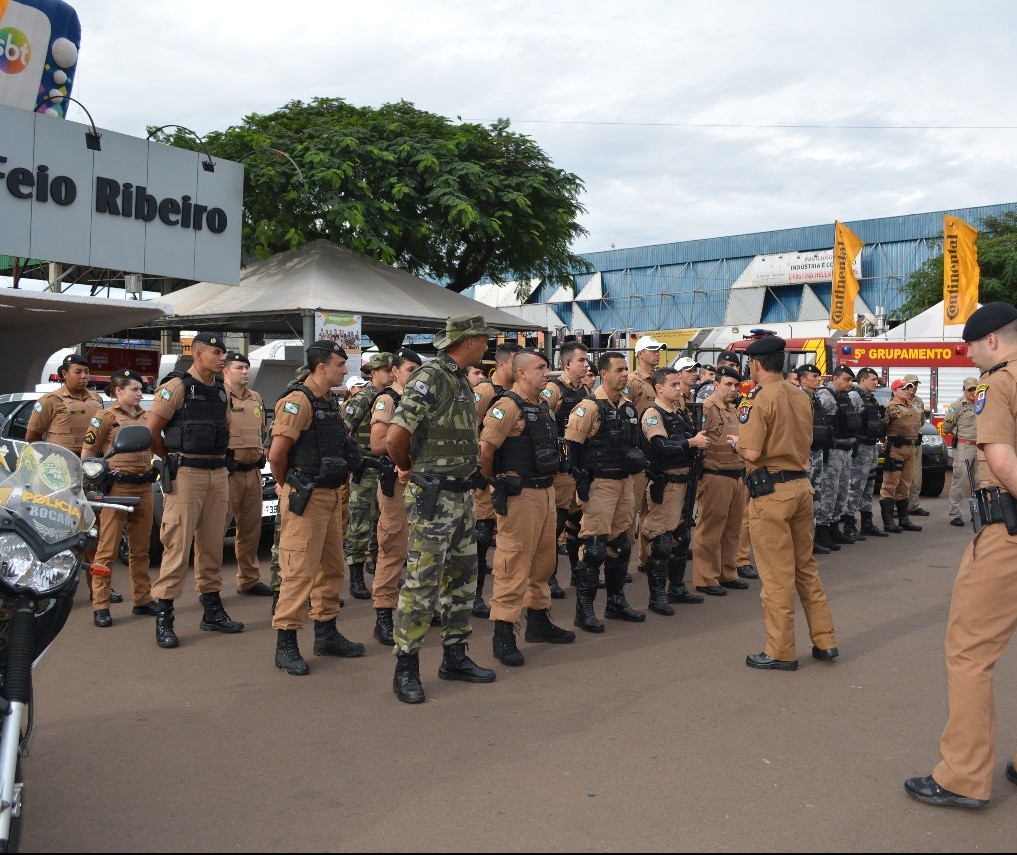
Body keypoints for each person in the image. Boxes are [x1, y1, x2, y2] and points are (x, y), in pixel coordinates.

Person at [905, 302, 1017, 810]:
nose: (967, 355)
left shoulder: (998, 381)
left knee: (969, 650)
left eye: (970, 345)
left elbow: (1001, 458)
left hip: (1007, 531)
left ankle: (964, 777)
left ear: (991, 340)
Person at [386, 314, 500, 704]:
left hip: (461, 495)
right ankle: (406, 667)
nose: (488, 345)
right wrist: (407, 468)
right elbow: (395, 436)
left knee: (463, 579)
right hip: (433, 496)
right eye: (484, 339)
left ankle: (454, 657)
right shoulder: (431, 378)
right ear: (468, 340)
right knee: (422, 582)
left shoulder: (459, 380)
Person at [734, 335, 838, 671]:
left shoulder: (758, 399)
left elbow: (750, 452)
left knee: (776, 577)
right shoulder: (800, 395)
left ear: (756, 364)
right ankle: (824, 640)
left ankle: (781, 650)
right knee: (805, 569)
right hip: (800, 487)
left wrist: (736, 444)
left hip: (771, 494)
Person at [268, 340, 365, 676]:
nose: (345, 369)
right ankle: (286, 644)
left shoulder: (328, 401)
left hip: (330, 495)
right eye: (340, 363)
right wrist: (287, 485)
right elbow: (277, 455)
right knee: (298, 572)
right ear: (321, 367)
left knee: (331, 568)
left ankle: (326, 634)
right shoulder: (298, 400)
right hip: (306, 496)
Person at [147, 332, 242, 649]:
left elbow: (226, 429)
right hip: (186, 473)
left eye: (223, 353)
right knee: (177, 546)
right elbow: (152, 432)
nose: (222, 358)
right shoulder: (176, 387)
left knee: (213, 544)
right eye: (216, 352)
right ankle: (165, 616)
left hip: (217, 472)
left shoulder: (219, 392)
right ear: (197, 354)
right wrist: (171, 459)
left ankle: (212, 611)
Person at [481, 349, 575, 666]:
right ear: (521, 373)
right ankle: (503, 633)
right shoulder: (507, 406)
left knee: (543, 563)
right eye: (540, 367)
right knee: (512, 564)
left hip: (545, 492)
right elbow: (485, 449)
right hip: (520, 496)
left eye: (547, 367)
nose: (546, 373)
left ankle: (538, 621)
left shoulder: (542, 406)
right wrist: (493, 484)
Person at [26, 354, 119, 602]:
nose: (84, 376)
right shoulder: (50, 401)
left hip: (90, 472)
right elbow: (33, 437)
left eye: (86, 372)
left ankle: (98, 588)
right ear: (64, 374)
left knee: (91, 529)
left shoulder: (97, 399)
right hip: (58, 474)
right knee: (57, 528)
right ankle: (50, 586)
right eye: (78, 372)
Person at [564, 351, 646, 632]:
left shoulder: (627, 406)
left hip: (624, 484)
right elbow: (572, 447)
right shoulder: (588, 407)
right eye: (620, 370)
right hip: (599, 484)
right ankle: (583, 610)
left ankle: (615, 601)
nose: (625, 374)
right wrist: (581, 480)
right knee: (595, 548)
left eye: (627, 369)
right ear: (604, 374)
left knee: (621, 545)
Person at [81, 369, 158, 627]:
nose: (139, 393)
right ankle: (101, 604)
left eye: (140, 389)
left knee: (141, 549)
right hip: (117, 489)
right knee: (107, 549)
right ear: (118, 391)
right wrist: (94, 484)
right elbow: (88, 454)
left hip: (145, 486)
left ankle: (143, 599)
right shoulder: (104, 417)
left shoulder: (148, 417)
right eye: (134, 389)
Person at [640, 366, 708, 611]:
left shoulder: (681, 412)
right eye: (674, 385)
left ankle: (676, 587)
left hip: (685, 482)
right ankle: (656, 596)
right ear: (659, 388)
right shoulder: (653, 413)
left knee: (682, 536)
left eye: (680, 384)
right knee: (661, 541)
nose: (680, 389)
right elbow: (659, 446)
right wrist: (691, 442)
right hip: (666, 483)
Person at [368, 348, 422, 645]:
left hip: (422, 482)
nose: (414, 373)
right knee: (393, 548)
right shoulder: (387, 400)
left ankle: (415, 608)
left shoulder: (420, 399)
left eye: (418, 368)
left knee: (420, 549)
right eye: (409, 368)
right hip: (397, 481)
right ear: (395, 371)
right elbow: (377, 444)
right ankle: (384, 615)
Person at [471, 342, 521, 617]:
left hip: (510, 474)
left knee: (508, 538)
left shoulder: (516, 395)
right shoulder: (484, 392)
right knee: (481, 533)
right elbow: (471, 432)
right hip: (486, 473)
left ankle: (507, 596)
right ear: (502, 364)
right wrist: (481, 475)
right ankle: (475, 594)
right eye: (515, 361)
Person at [692, 366, 749, 594]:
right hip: (715, 477)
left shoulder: (733, 409)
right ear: (715, 385)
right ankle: (705, 578)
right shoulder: (708, 408)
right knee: (710, 530)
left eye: (736, 385)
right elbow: (699, 442)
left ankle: (728, 573)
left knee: (732, 529)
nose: (733, 389)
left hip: (736, 476)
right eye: (728, 384)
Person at [344, 352, 394, 601]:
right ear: (373, 373)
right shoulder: (364, 397)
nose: (390, 373)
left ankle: (377, 565)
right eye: (385, 369)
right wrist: (355, 462)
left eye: (391, 369)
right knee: (360, 521)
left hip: (386, 468)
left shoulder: (394, 397)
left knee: (382, 523)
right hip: (366, 468)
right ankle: (355, 574)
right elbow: (344, 429)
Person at [222, 351, 272, 597]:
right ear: (226, 371)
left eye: (247, 367)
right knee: (215, 532)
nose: (245, 371)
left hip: (253, 472)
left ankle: (249, 580)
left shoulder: (256, 398)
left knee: (251, 530)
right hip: (227, 474)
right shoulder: (220, 396)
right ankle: (208, 587)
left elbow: (262, 431)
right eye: (239, 367)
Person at [542, 340, 590, 592]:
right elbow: (542, 421)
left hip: (579, 465)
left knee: (577, 522)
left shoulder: (585, 391)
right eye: (581, 360)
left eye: (586, 359)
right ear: (567, 363)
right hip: (561, 467)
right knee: (557, 523)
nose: (586, 364)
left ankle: (576, 572)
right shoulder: (554, 389)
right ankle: (548, 576)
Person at [812, 366, 860, 550]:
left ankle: (833, 527)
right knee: (829, 492)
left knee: (842, 491)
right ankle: (822, 532)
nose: (850, 383)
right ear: (835, 378)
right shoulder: (825, 395)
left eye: (851, 380)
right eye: (846, 379)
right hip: (832, 451)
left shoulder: (845, 396)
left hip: (846, 450)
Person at [843, 367, 889, 539]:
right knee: (856, 486)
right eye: (872, 379)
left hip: (871, 447)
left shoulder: (871, 398)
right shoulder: (854, 397)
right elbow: (849, 422)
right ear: (862, 380)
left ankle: (867, 523)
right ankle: (849, 525)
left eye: (876, 380)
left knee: (869, 485)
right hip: (860, 447)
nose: (876, 382)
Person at [879, 379, 923, 534]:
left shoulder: (914, 407)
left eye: (908, 388)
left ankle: (904, 519)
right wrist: (887, 441)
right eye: (903, 388)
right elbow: (880, 429)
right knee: (890, 484)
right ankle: (888, 521)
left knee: (905, 484)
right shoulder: (889, 408)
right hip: (895, 449)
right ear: (895, 390)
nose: (907, 390)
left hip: (911, 450)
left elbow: (920, 424)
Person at [943, 378, 979, 526]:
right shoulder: (958, 405)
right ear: (963, 390)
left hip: (980, 447)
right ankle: (955, 514)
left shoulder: (982, 404)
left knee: (979, 481)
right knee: (960, 479)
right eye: (970, 389)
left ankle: (978, 513)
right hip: (965, 446)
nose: (972, 392)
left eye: (975, 389)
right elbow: (947, 427)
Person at [903, 374, 931, 517]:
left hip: (916, 441)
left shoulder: (919, 401)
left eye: (916, 384)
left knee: (916, 477)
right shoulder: (897, 400)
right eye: (911, 384)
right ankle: (899, 508)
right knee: (901, 477)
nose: (913, 387)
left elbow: (922, 421)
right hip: (902, 444)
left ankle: (913, 506)